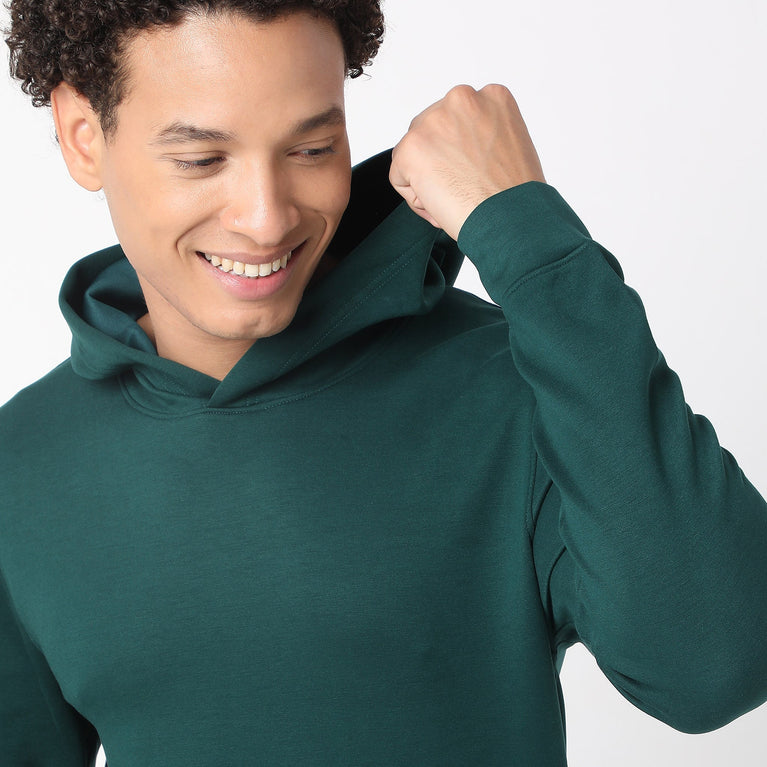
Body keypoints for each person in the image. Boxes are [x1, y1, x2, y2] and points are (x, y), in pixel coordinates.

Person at [1, 1, 765, 765]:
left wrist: (525, 233)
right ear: (82, 133)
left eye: (311, 148)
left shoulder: (517, 386)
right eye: (202, 158)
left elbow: (715, 665)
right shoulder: (22, 467)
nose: (266, 219)